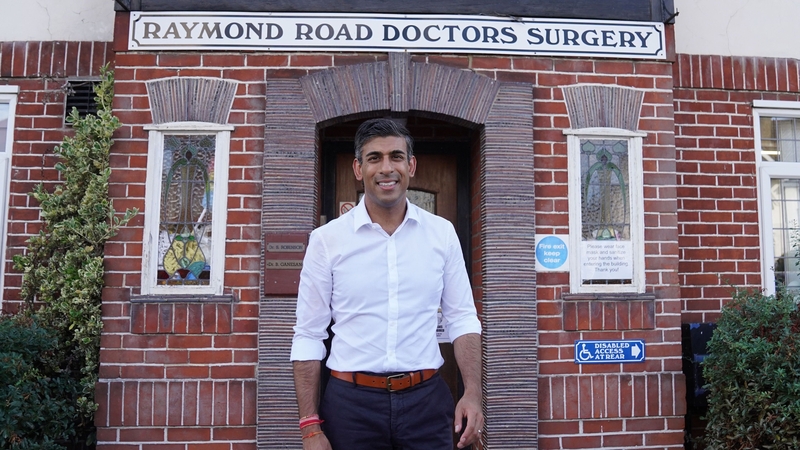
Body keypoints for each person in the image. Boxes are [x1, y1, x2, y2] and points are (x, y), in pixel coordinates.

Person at [290, 118, 484, 450]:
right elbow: (309, 334)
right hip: (350, 407)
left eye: (396, 156)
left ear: (411, 165)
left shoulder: (441, 234)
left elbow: (462, 318)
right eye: (374, 158)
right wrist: (309, 425)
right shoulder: (327, 241)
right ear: (358, 168)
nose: (386, 168)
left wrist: (472, 393)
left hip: (426, 401)